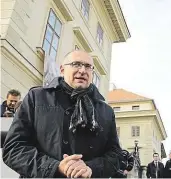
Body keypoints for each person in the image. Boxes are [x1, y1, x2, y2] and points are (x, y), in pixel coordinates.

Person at [2, 50, 121, 178]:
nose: (82, 70)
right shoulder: (36, 98)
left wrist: (90, 168)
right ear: (62, 69)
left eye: (88, 66)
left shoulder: (106, 111)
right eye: (76, 64)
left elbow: (115, 155)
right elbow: (13, 148)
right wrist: (55, 167)